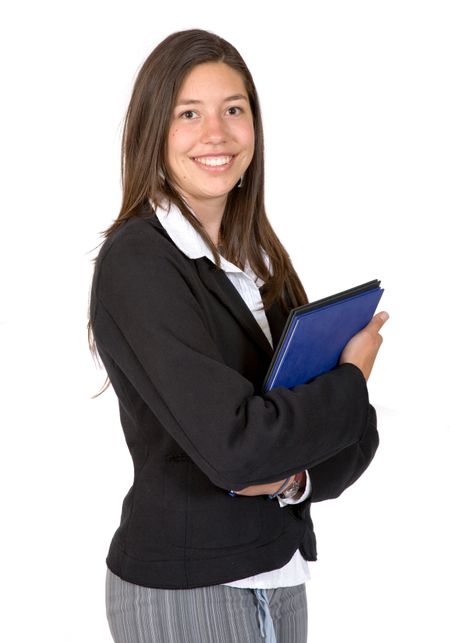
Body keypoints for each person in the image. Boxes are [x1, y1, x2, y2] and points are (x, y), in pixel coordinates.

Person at [88, 28, 388, 643]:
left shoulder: (259, 263)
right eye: (188, 114)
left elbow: (356, 437)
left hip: (277, 569)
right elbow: (237, 448)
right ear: (153, 131)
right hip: (188, 584)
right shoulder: (140, 261)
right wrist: (350, 378)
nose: (216, 134)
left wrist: (291, 478)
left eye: (234, 110)